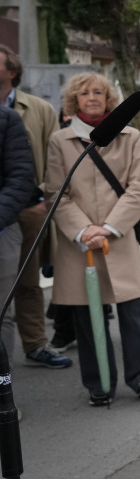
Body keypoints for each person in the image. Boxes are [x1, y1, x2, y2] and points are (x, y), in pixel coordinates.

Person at [46, 72, 140, 406]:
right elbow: (57, 191)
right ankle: (98, 382)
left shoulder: (128, 137)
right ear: (74, 101)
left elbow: (138, 186)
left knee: (131, 310)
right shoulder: (61, 141)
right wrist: (83, 230)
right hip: (79, 243)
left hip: (118, 236)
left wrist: (109, 227)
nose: (93, 97)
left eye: (99, 91)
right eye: (85, 93)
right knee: (86, 316)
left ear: (109, 98)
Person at [0, 44, 72, 368]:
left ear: (12, 71)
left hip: (29, 207)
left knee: (26, 281)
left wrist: (44, 198)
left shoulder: (39, 109)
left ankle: (35, 344)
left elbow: (54, 160)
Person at [0, 105, 36, 359]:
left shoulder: (7, 118)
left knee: (1, 314)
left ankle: (3, 391)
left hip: (2, 229)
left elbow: (22, 176)